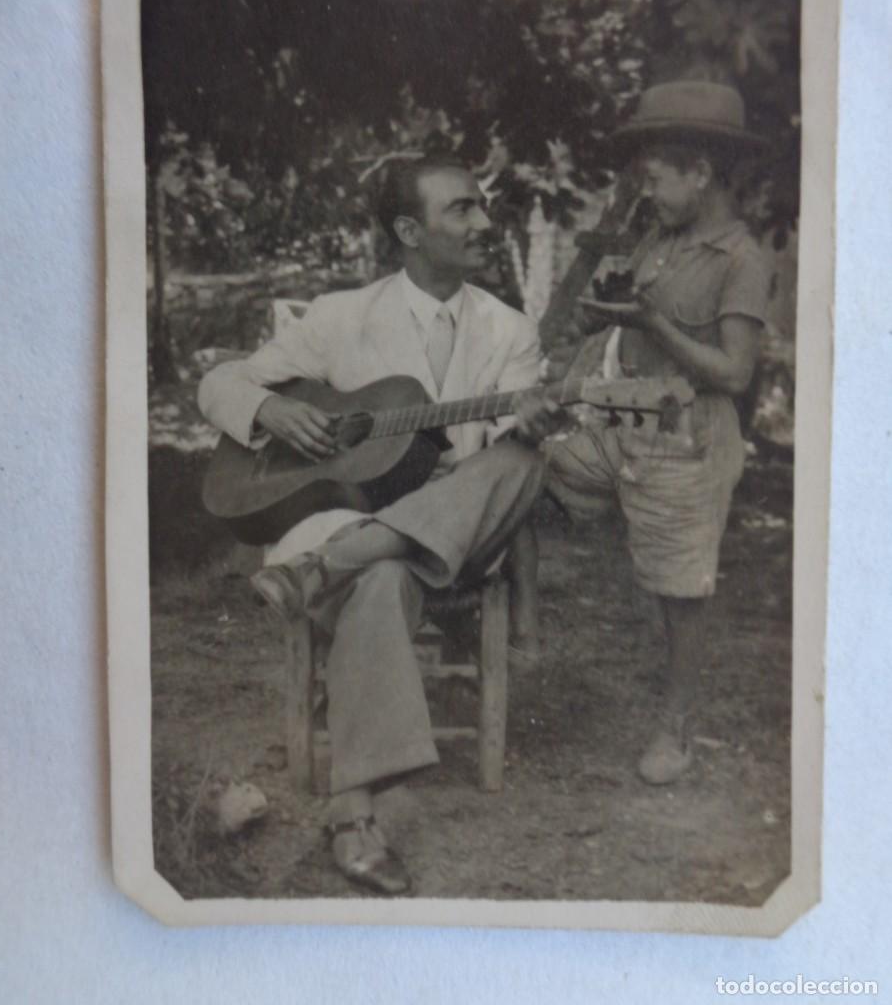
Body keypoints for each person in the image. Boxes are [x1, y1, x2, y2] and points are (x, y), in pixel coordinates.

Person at [199, 155, 564, 894]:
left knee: (527, 459)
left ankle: (331, 565)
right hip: (354, 523)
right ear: (409, 230)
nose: (484, 224)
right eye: (462, 209)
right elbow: (220, 382)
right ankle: (353, 812)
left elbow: (499, 467)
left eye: (481, 207)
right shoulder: (341, 318)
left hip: (459, 534)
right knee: (382, 575)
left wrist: (525, 425)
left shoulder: (509, 331)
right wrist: (269, 409)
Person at [545, 80, 772, 787]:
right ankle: (481, 628)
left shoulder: (741, 258)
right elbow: (633, 312)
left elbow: (735, 374)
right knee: (528, 462)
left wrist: (654, 325)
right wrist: (601, 314)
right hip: (628, 410)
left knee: (680, 589)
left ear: (700, 175)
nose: (649, 193)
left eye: (658, 180)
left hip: (690, 432)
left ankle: (676, 726)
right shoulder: (661, 238)